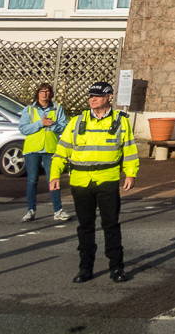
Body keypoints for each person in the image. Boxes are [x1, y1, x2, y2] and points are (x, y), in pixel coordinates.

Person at [50, 82, 138, 283]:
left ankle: (116, 268)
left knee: (111, 225)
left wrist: (130, 173)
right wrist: (54, 174)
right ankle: (85, 268)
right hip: (80, 182)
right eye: (91, 95)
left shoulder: (120, 122)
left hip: (107, 180)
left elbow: (130, 150)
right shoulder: (77, 121)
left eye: (98, 95)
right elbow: (61, 151)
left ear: (109, 97)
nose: (93, 98)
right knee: (85, 227)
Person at [19, 83, 69, 222]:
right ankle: (31, 210)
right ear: (37, 93)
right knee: (32, 180)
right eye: (41, 91)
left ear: (50, 93)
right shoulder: (29, 109)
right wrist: (40, 123)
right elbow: (23, 129)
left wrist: (52, 125)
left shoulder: (57, 108)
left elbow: (64, 127)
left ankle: (58, 210)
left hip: (51, 148)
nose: (44, 94)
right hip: (32, 149)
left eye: (47, 91)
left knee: (53, 180)